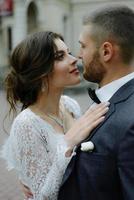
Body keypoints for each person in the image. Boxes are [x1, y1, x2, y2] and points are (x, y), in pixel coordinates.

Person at [1, 31, 109, 200]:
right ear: (40, 71)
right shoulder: (26, 124)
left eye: (69, 53)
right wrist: (67, 142)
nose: (74, 59)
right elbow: (42, 196)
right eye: (60, 56)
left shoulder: (69, 104)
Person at [57, 5, 134, 200]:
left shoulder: (130, 122)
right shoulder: (104, 102)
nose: (79, 55)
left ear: (106, 51)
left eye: (83, 46)